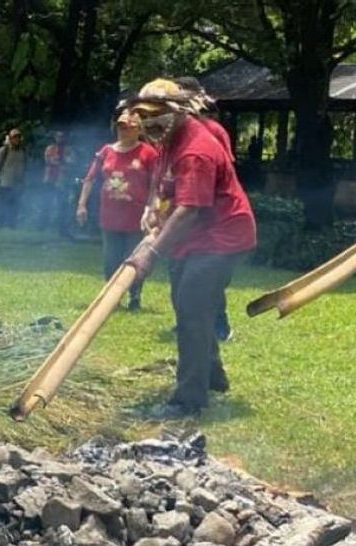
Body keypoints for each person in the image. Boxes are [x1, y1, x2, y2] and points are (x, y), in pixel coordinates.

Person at [123, 78, 256, 419]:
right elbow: (160, 179)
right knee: (188, 305)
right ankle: (213, 377)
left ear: (178, 111)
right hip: (195, 237)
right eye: (143, 115)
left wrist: (151, 253)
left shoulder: (196, 149)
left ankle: (189, 400)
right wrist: (152, 207)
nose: (149, 123)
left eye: (156, 115)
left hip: (221, 236)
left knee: (192, 310)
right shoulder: (169, 139)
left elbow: (189, 210)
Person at [76, 109, 159, 310]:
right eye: (121, 126)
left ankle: (134, 296)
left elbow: (156, 184)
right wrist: (82, 204)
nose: (124, 130)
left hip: (137, 216)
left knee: (134, 258)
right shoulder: (106, 151)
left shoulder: (149, 153)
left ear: (139, 129)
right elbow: (89, 179)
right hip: (110, 215)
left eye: (130, 127)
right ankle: (112, 298)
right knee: (110, 259)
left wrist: (152, 209)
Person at [176, 76, 235, 340]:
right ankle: (187, 321)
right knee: (179, 272)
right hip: (181, 213)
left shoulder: (214, 131)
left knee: (207, 276)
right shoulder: (173, 135)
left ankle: (219, 325)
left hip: (210, 217)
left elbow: (226, 172)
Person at [0, 128, 26, 228]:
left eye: (18, 137)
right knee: (4, 203)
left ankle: (12, 224)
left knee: (15, 204)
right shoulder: (4, 150)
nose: (17, 140)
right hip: (5, 181)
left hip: (17, 182)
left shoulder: (22, 151)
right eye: (15, 137)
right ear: (10, 139)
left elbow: (24, 165)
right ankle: (1, 223)